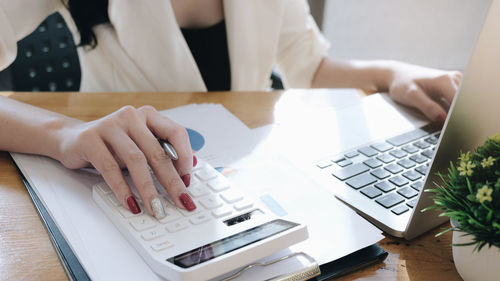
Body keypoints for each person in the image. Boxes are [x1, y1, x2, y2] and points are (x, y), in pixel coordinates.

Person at [0, 0, 462, 220]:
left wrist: (390, 73)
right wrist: (64, 134)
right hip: (130, 188)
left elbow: (308, 63)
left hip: (246, 189)